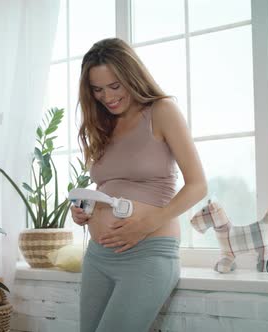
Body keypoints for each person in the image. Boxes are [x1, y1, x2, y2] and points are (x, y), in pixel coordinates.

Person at [70, 38, 207, 332]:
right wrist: (82, 209)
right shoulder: (103, 123)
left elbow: (197, 185)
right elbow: (104, 185)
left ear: (131, 76)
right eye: (98, 89)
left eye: (115, 85)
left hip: (148, 253)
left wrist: (148, 223)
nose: (107, 96)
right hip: (98, 256)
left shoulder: (161, 111)